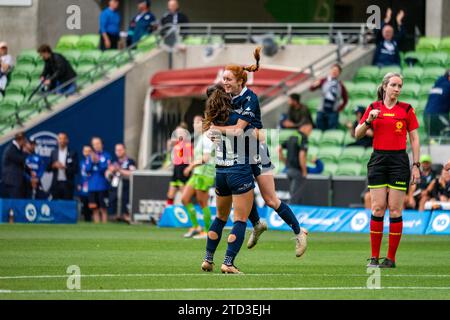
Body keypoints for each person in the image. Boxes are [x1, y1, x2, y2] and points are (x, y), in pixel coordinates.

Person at [206, 48, 308, 258]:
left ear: (240, 81)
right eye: (223, 78)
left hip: (256, 151)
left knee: (271, 199)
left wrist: (216, 130)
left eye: (228, 79)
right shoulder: (225, 97)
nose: (224, 82)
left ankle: (299, 232)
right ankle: (257, 224)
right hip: (237, 152)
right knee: (240, 191)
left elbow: (238, 130)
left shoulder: (249, 97)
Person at [355, 72, 420, 268]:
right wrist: (368, 121)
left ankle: (390, 258)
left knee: (395, 209)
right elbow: (357, 134)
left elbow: (415, 139)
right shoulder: (373, 108)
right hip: (378, 159)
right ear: (385, 86)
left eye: (400, 86)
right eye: (393, 85)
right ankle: (374, 257)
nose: (397, 89)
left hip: (399, 160)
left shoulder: (407, 109)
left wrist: (415, 165)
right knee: (377, 208)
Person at [201, 85, 256, 274]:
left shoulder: (212, 121)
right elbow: (256, 135)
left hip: (221, 172)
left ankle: (208, 260)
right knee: (240, 220)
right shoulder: (237, 119)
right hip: (239, 170)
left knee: (220, 217)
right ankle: (228, 262)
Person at [181, 115, 214, 239]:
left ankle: (207, 232)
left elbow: (205, 159)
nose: (194, 125)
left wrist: (190, 166)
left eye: (197, 122)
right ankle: (196, 227)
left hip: (205, 173)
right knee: (184, 199)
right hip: (197, 173)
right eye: (194, 122)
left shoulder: (207, 137)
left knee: (202, 202)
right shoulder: (200, 138)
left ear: (203, 123)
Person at [278, 127, 312, 205]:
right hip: (297, 171)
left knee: (296, 195)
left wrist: (284, 161)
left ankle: (295, 214)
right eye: (310, 130)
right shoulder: (303, 138)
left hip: (289, 170)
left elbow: (279, 148)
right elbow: (302, 155)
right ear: (307, 127)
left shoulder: (291, 137)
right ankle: (287, 215)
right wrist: (304, 171)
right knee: (295, 197)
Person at [310, 64, 348, 131]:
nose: (334, 72)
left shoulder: (340, 85)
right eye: (333, 70)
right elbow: (311, 89)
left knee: (331, 130)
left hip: (333, 112)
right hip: (322, 110)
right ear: (330, 70)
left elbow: (345, 99)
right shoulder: (323, 81)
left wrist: (339, 108)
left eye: (336, 71)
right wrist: (314, 85)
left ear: (339, 73)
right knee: (319, 129)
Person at [107, 143, 136, 223]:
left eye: (120, 150)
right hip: (115, 188)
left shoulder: (130, 161)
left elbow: (133, 173)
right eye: (117, 150)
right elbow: (107, 175)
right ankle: (114, 218)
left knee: (125, 206)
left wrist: (119, 170)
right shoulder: (114, 162)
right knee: (112, 204)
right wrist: (110, 171)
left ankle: (125, 217)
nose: (118, 152)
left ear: (124, 150)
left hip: (126, 188)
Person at [165, 123, 193, 205]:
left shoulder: (187, 144)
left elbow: (190, 159)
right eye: (177, 132)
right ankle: (167, 214)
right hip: (176, 170)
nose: (178, 134)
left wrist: (189, 169)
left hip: (183, 170)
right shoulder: (176, 143)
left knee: (185, 197)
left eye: (180, 132)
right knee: (170, 194)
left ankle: (191, 215)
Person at [85, 137, 112, 223]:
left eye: (98, 143)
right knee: (94, 208)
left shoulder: (107, 155)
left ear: (102, 144)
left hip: (102, 186)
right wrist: (92, 162)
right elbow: (87, 169)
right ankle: (97, 226)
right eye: (94, 144)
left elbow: (105, 169)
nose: (96, 145)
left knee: (103, 208)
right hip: (92, 186)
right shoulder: (90, 156)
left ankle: (104, 225)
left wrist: (98, 162)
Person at [47, 132, 79, 200]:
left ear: (67, 140)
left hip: (67, 184)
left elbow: (76, 169)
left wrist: (65, 167)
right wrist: (53, 165)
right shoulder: (53, 152)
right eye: (60, 138)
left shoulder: (72, 153)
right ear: (57, 140)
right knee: (55, 205)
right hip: (56, 184)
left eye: (63, 138)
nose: (61, 140)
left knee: (67, 205)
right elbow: (48, 168)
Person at [1, 132, 28, 199]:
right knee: (14, 203)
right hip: (12, 181)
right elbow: (21, 159)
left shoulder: (17, 148)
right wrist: (25, 152)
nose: (25, 143)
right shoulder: (11, 149)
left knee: (17, 202)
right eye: (25, 141)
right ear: (21, 140)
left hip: (16, 181)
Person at [424, 69, 450, 137]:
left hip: (426, 116)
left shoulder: (436, 85)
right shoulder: (448, 86)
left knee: (433, 138)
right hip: (437, 116)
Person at [77, 145, 93, 222]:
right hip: (84, 188)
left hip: (93, 187)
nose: (87, 153)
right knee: (85, 205)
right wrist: (79, 184)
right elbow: (80, 175)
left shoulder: (94, 161)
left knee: (93, 206)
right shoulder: (81, 162)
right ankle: (86, 221)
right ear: (83, 152)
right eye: (85, 151)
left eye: (89, 151)